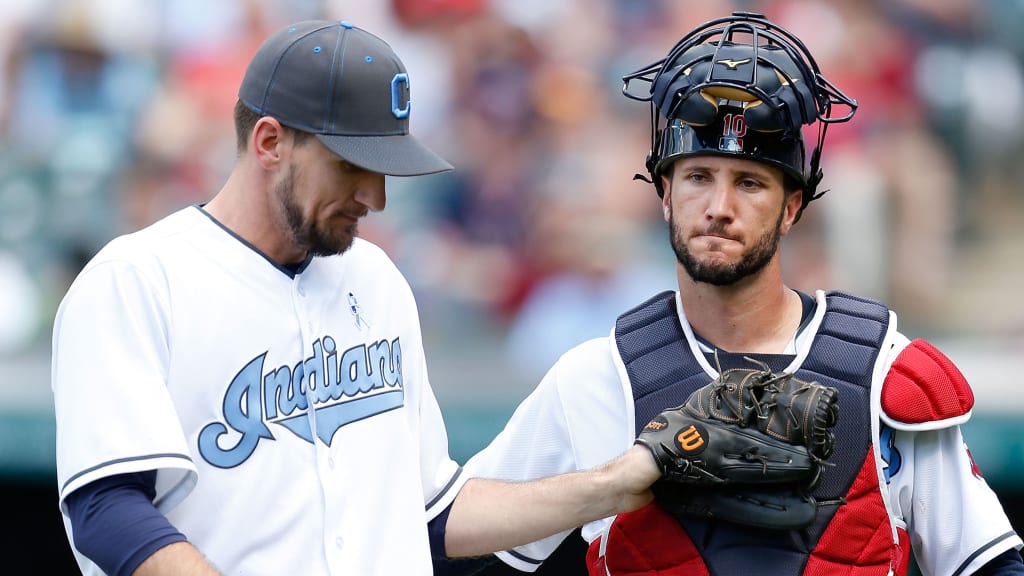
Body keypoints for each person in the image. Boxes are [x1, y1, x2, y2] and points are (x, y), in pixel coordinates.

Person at [50, 20, 662, 576]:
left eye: (385, 167)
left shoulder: (376, 279)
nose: (375, 197)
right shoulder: (137, 279)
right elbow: (106, 506)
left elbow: (432, 513)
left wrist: (615, 482)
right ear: (269, 143)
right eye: (351, 165)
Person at [456, 11, 1024, 576]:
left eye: (749, 183)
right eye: (698, 176)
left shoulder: (882, 370)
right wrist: (612, 483)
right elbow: (448, 539)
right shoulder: (598, 378)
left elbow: (991, 564)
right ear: (664, 195)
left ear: (791, 209)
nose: (719, 207)